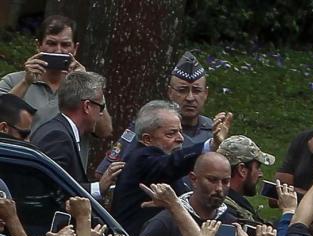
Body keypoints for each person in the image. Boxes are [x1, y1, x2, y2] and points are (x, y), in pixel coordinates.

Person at [0, 14, 112, 165]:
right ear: (38, 45)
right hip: (20, 169)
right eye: (51, 43)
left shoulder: (88, 87)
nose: (58, 51)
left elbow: (104, 131)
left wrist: (87, 84)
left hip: (65, 176)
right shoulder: (12, 80)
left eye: (65, 45)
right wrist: (26, 82)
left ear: (75, 48)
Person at [111, 101, 230, 236]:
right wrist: (211, 145)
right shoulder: (142, 159)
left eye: (180, 131)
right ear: (147, 139)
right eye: (171, 134)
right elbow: (172, 164)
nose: (180, 139)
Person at [95, 50, 213, 177]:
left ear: (205, 93)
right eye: (182, 90)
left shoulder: (212, 129)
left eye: (196, 91)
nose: (190, 97)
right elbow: (105, 173)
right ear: (170, 92)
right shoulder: (149, 123)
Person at [31, 71, 124, 199]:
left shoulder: (59, 130)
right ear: (86, 106)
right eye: (101, 107)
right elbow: (50, 191)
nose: (102, 114)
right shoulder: (57, 137)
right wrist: (98, 188)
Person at [133, 152, 234, 236]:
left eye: (225, 181)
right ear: (194, 179)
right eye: (212, 180)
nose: (219, 188)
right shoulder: (165, 224)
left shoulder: (231, 224)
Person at [217, 135, 275, 222]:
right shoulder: (231, 213)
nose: (261, 174)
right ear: (242, 170)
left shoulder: (215, 201)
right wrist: (288, 211)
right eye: (257, 167)